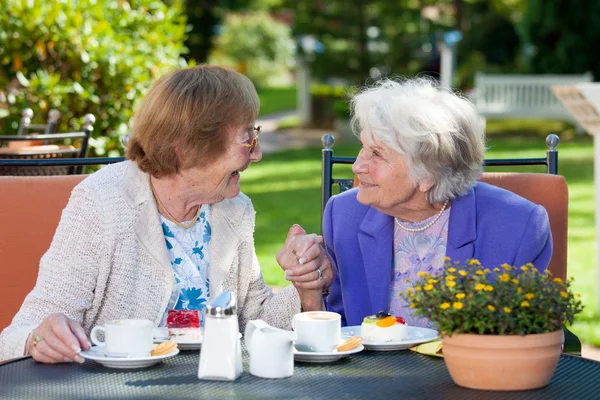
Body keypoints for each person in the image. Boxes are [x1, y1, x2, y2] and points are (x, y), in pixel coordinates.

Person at [0, 65, 332, 363]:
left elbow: (254, 321)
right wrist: (40, 338)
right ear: (187, 150)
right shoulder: (101, 203)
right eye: (247, 140)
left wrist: (305, 287)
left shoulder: (234, 209)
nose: (257, 154)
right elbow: (21, 333)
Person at [323, 77, 551, 328]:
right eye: (363, 147)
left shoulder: (518, 227)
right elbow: (339, 329)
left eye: (377, 153)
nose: (357, 166)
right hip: (373, 368)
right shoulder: (343, 215)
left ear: (428, 174)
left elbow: (529, 338)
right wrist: (310, 290)